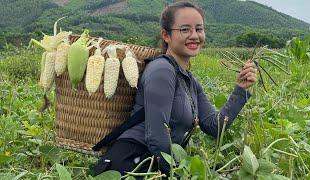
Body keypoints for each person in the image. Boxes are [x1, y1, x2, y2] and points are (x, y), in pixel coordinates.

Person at [93, 1, 257, 177]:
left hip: (157, 164)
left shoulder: (189, 81)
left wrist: (240, 89)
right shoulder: (161, 71)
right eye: (185, 30)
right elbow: (157, 137)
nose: (194, 35)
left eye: (199, 29)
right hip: (132, 164)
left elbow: (214, 126)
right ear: (166, 35)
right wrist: (180, 174)